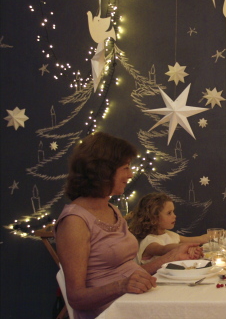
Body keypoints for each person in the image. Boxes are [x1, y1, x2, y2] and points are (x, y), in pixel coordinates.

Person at [55, 132, 200, 318]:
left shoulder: (112, 210)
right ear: (103, 172)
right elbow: (76, 298)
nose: (130, 174)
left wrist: (170, 257)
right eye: (125, 168)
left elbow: (130, 274)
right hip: (112, 311)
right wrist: (121, 286)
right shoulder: (74, 221)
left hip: (133, 300)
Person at [128, 192, 226, 264]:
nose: (174, 216)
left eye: (173, 212)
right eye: (169, 213)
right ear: (153, 217)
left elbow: (201, 238)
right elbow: (164, 249)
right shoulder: (149, 241)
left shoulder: (169, 235)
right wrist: (186, 247)